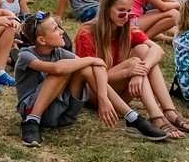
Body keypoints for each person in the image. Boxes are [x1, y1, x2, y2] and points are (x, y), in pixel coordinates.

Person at [15, 10, 160, 147]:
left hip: (64, 113)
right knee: (64, 68)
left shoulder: (59, 52)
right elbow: (57, 69)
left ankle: (132, 117)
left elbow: (99, 66)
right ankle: (32, 120)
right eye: (55, 29)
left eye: (59, 27)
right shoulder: (25, 55)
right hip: (34, 110)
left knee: (84, 68)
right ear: (41, 40)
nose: (62, 31)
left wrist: (103, 97)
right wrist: (92, 59)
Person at [75, 0, 183, 138]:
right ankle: (156, 116)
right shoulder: (87, 33)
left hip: (118, 93)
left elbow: (158, 50)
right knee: (134, 62)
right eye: (121, 11)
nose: (126, 17)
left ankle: (169, 110)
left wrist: (140, 72)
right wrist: (128, 72)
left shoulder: (126, 28)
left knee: (143, 50)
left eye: (129, 12)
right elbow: (90, 78)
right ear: (106, 8)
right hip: (96, 93)